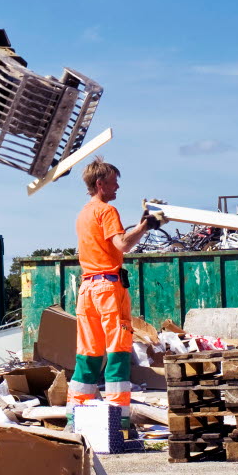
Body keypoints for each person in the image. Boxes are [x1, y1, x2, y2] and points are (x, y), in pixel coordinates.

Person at [71, 158, 159, 406]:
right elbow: (123, 245)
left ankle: (76, 411)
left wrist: (140, 225)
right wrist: (145, 226)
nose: (117, 187)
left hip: (87, 289)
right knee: (118, 350)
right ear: (100, 184)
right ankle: (118, 417)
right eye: (113, 182)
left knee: (88, 352)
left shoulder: (83, 214)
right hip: (108, 289)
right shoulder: (107, 211)